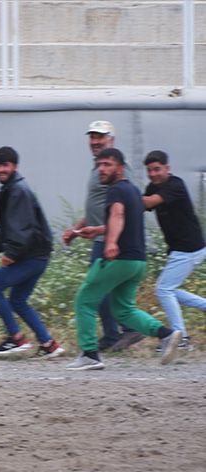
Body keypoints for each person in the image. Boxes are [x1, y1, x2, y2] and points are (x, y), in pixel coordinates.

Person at [66, 148, 181, 370]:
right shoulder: (133, 191)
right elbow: (125, 221)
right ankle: (166, 334)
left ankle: (89, 354)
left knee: (85, 300)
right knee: (123, 309)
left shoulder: (116, 190)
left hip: (119, 259)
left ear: (120, 168)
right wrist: (98, 230)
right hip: (137, 262)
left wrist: (110, 242)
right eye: (100, 165)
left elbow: (118, 214)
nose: (102, 169)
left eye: (107, 164)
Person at [62, 120, 142, 352]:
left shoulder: (115, 170)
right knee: (106, 289)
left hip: (107, 240)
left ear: (112, 140)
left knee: (95, 288)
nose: (95, 142)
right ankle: (119, 333)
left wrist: (112, 239)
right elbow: (97, 208)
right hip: (100, 237)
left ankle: (118, 333)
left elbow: (121, 208)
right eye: (93, 137)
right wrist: (76, 230)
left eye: (101, 137)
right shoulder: (99, 168)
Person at [0, 147, 63, 358]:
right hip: (37, 255)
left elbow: (22, 228)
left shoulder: (17, 191)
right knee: (18, 300)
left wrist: (11, 253)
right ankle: (49, 344)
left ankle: (15, 339)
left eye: (5, 165)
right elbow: (7, 228)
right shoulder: (11, 189)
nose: (1, 170)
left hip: (30, 256)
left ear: (14, 166)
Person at [142, 150, 205, 351]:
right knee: (168, 289)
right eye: (149, 170)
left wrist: (123, 193)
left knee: (163, 289)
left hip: (190, 248)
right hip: (179, 249)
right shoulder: (152, 187)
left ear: (167, 169)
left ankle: (181, 338)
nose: (153, 174)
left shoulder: (175, 185)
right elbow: (139, 208)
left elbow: (149, 203)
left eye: (157, 169)